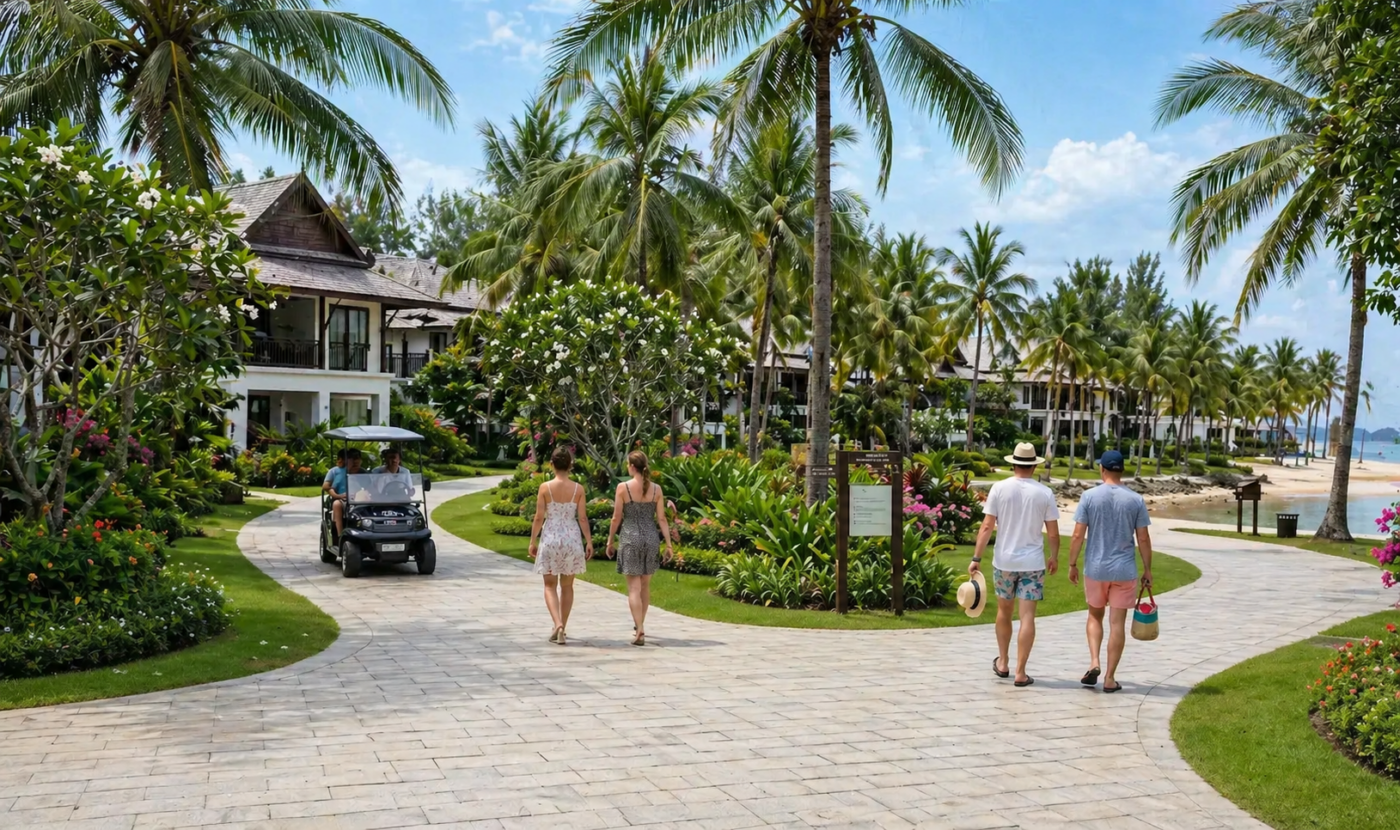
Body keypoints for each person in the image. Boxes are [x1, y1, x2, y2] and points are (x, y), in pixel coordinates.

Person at [970, 442, 1060, 687]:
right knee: (1027, 616)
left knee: (1004, 612)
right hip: (1033, 562)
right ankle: (1021, 672)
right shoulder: (1044, 493)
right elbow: (1052, 533)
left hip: (1004, 562)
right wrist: (1054, 556)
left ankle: (1003, 662)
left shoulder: (999, 488)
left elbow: (987, 526)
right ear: (1033, 465)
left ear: (1013, 464)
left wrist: (976, 558)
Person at [1068, 450, 1153, 693]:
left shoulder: (1089, 497)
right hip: (1124, 570)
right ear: (1121, 471)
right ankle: (1109, 678)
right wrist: (1147, 569)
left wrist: (1072, 564)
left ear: (1102, 469)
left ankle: (1094, 661)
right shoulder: (1135, 500)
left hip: (1095, 568)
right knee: (1117, 624)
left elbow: (1077, 535)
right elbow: (1144, 538)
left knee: (1095, 616)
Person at [606, 451, 674, 646]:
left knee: (633, 588)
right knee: (645, 586)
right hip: (651, 539)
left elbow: (616, 518)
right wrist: (668, 544)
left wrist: (610, 541)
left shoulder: (623, 488)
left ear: (631, 467)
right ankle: (640, 625)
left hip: (630, 538)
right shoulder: (656, 489)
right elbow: (661, 518)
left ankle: (640, 629)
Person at [528, 448, 593, 645]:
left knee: (549, 585)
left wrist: (532, 540)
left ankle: (557, 624)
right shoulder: (578, 489)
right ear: (570, 465)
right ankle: (562, 624)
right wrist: (589, 541)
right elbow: (582, 517)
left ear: (551, 464)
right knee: (567, 586)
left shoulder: (545, 488)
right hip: (571, 538)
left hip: (551, 537)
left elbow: (539, 517)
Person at [322, 448, 362, 537]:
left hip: (359, 499)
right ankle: (340, 535)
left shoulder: (362, 472)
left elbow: (369, 488)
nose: (355, 461)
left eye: (357, 458)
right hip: (343, 498)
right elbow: (329, 487)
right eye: (352, 459)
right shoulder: (339, 472)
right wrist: (338, 496)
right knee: (337, 504)